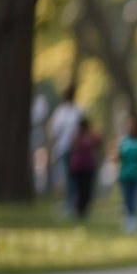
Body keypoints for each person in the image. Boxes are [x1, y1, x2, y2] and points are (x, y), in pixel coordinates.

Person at [46, 83, 83, 215]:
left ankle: (70, 204)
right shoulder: (77, 111)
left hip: (67, 149)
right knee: (69, 178)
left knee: (68, 178)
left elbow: (54, 131)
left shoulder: (61, 112)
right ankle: (70, 203)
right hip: (70, 149)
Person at [66, 116, 102, 218]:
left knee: (87, 190)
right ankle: (77, 209)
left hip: (88, 166)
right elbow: (72, 147)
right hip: (77, 167)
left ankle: (83, 210)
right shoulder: (76, 136)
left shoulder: (91, 136)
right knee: (78, 189)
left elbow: (98, 145)